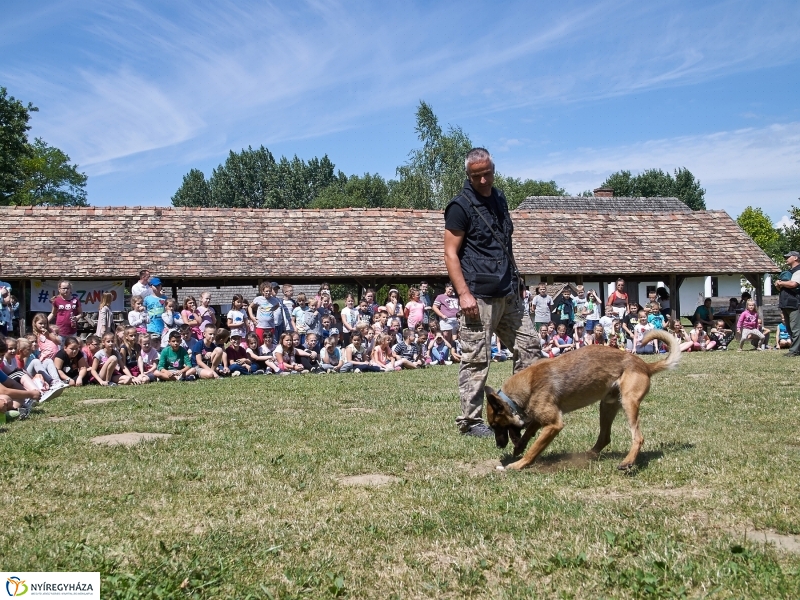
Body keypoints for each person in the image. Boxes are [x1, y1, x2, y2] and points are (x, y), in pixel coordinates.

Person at [443, 147, 540, 437]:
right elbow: (450, 253)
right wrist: (463, 294)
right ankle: (471, 422)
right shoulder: (459, 207)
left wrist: (517, 280)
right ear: (468, 176)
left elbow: (504, 245)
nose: (483, 180)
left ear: (493, 170)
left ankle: (517, 408)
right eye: (477, 176)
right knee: (476, 359)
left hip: (508, 291)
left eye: (487, 174)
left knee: (530, 347)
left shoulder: (499, 198)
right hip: (478, 296)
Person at [775, 251, 800, 356]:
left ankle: (794, 351)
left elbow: (793, 284)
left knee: (796, 328)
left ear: (796, 258)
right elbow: (779, 287)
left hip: (794, 303)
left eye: (788, 257)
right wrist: (777, 284)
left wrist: (780, 283)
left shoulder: (798, 271)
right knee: (789, 328)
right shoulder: (787, 272)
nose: (786, 258)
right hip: (785, 303)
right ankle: (796, 349)